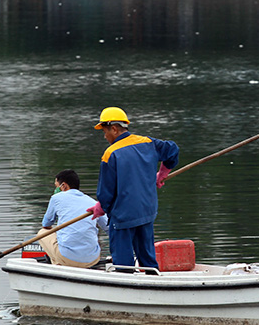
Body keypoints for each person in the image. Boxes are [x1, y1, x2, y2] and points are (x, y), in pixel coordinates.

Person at [86, 107, 179, 271]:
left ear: (114, 128)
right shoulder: (147, 142)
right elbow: (172, 150)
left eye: (105, 131)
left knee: (123, 264)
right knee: (148, 259)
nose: (104, 136)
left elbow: (106, 192)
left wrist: (102, 207)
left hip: (123, 217)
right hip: (146, 212)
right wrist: (162, 173)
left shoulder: (110, 153)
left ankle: (126, 290)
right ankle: (154, 285)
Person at [39, 169, 109, 267]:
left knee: (42, 233)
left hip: (68, 258)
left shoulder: (56, 198)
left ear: (63, 186)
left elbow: (46, 224)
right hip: (92, 259)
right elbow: (108, 228)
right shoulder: (93, 203)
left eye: (56, 186)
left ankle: (57, 262)